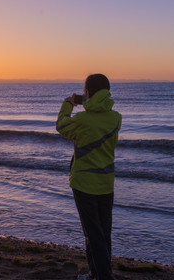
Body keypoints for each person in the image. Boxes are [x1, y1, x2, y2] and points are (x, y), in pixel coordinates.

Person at [56, 74, 122, 280]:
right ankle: (96, 274)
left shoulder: (82, 120)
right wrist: (87, 101)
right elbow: (100, 109)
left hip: (84, 184)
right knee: (103, 233)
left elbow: (61, 125)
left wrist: (68, 103)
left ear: (88, 92)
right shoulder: (116, 119)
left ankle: (103, 277)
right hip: (106, 183)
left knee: (93, 235)